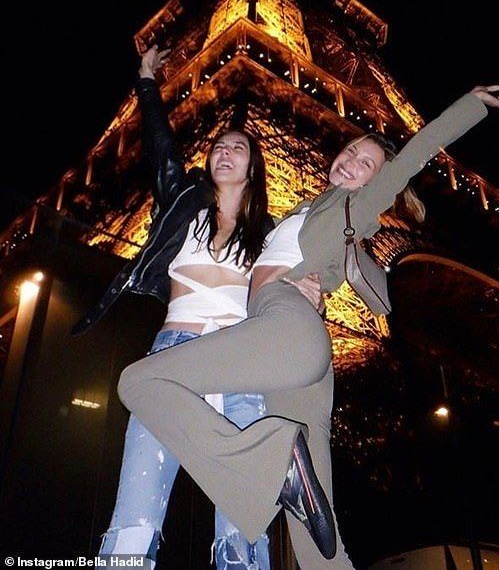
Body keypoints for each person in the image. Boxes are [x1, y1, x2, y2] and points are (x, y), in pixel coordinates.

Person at [116, 79, 499, 568]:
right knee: (317, 538)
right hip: (296, 356)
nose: (350, 162)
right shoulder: (306, 209)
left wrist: (470, 104)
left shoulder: (358, 204)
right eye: (350, 151)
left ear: (377, 180)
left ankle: (269, 462)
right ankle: (283, 474)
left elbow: (417, 152)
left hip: (285, 324)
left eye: (366, 164)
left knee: (140, 380)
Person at [72, 45, 323, 569]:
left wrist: (309, 292)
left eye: (236, 147)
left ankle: (270, 468)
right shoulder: (184, 207)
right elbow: (161, 148)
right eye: (217, 146)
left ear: (253, 167)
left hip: (239, 365)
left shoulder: (270, 235)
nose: (222, 152)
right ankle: (274, 462)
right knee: (134, 518)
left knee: (242, 531)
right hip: (175, 354)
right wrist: (146, 81)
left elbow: (293, 279)